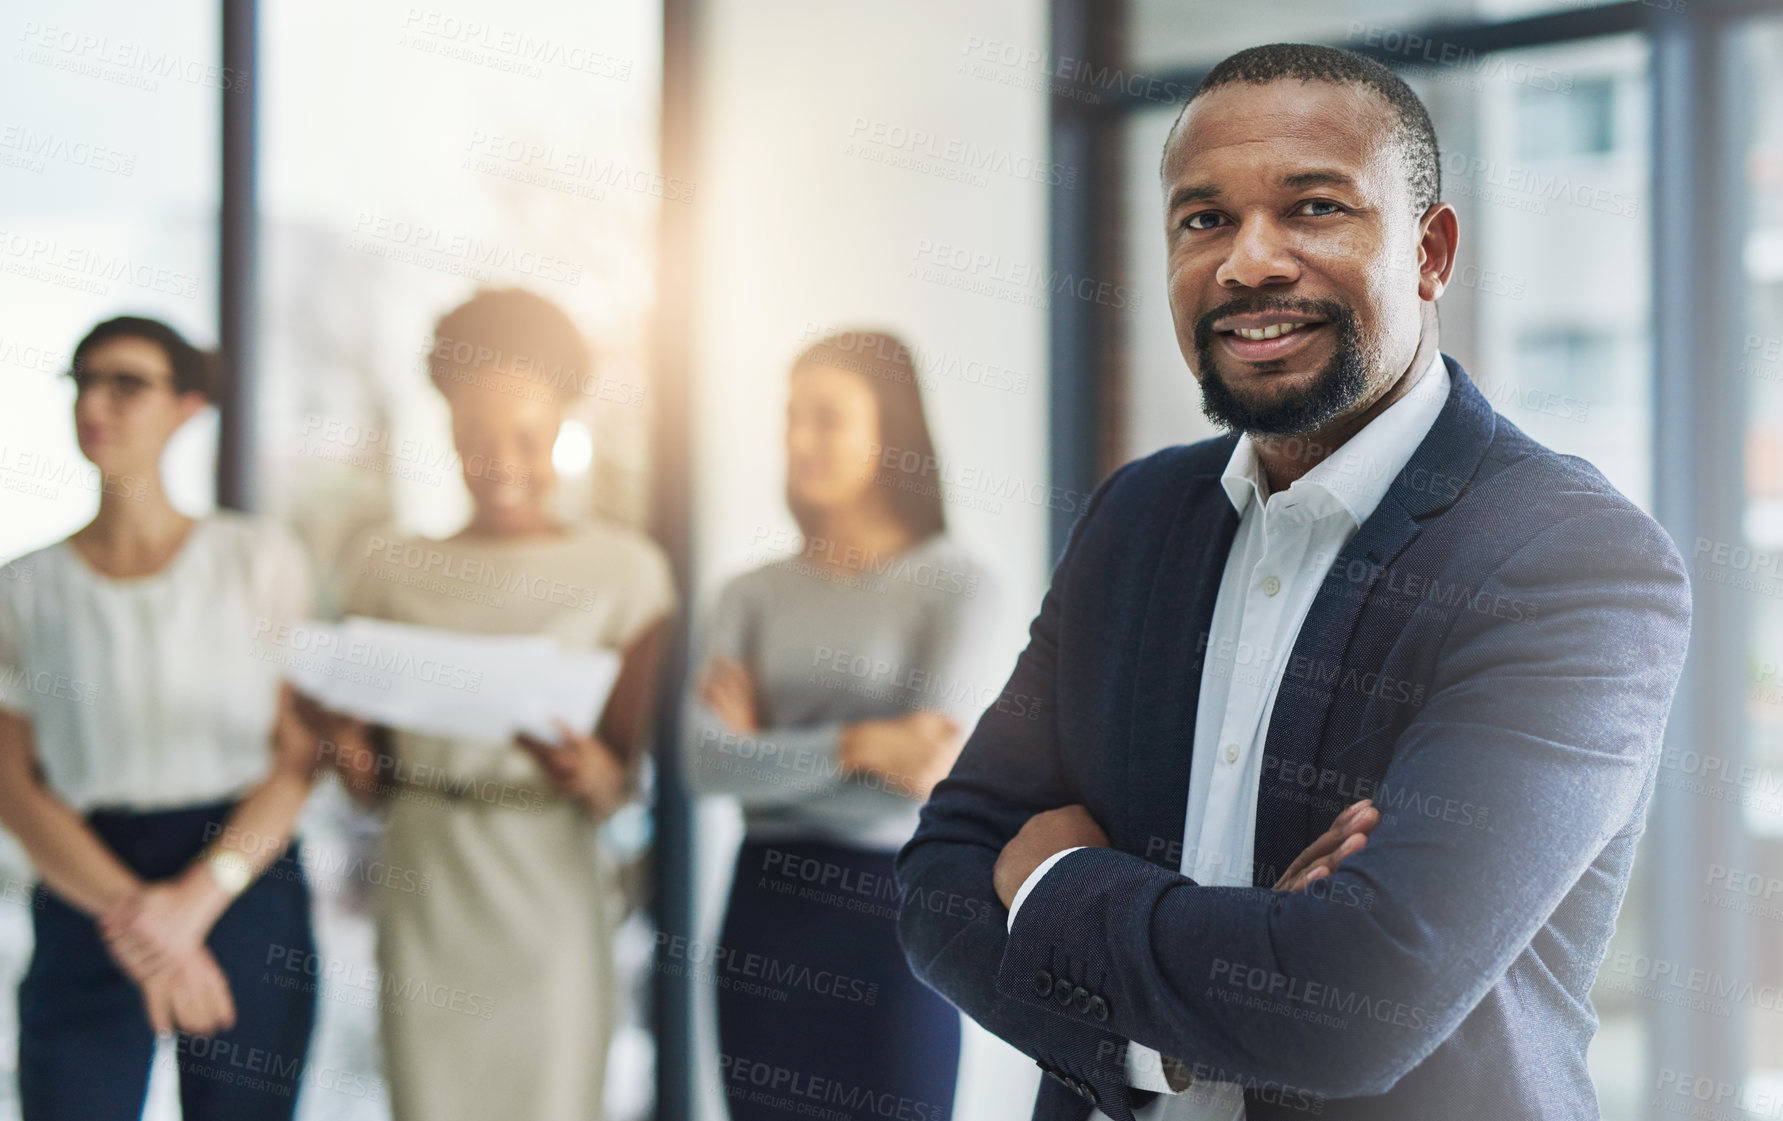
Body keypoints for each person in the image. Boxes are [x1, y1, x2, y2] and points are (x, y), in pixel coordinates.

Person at [897, 44, 1692, 1121]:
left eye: (1313, 208)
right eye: (1202, 220)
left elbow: (1358, 998)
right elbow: (941, 875)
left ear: (1430, 250)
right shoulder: (1134, 517)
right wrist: (1201, 1004)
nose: (1248, 263)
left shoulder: (1570, 558)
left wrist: (1054, 883)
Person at [325, 287, 674, 1121]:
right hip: (427, 888)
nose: (500, 459)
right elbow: (366, 784)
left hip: (549, 893)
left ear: (565, 423)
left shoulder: (626, 571)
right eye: (474, 433)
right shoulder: (383, 567)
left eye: (527, 433)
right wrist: (341, 746)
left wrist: (594, 773)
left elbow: (622, 783)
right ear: (445, 424)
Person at [0, 316, 330, 1120]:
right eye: (84, 380)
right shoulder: (24, 588)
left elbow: (296, 758)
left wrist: (195, 902)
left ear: (187, 406)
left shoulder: (258, 561)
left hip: (241, 873)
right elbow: (11, 782)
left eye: (128, 382)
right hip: (85, 878)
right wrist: (143, 922)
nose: (97, 402)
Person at [683, 330, 1000, 1121]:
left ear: (888, 431)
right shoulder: (747, 595)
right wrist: (860, 743)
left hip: (894, 922)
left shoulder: (955, 587)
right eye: (791, 417)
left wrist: (769, 754)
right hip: (763, 914)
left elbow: (921, 778)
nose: (800, 441)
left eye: (826, 418)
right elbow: (704, 763)